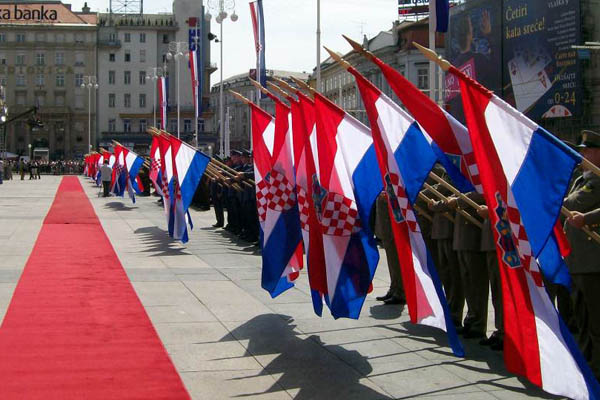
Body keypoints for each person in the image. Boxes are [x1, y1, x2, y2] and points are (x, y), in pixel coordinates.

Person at [564, 129, 600, 377]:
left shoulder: (596, 181)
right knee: (582, 315)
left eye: (588, 151)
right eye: (582, 151)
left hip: (592, 259)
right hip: (577, 259)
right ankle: (587, 358)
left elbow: (574, 203)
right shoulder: (583, 178)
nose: (583, 155)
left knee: (596, 318)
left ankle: (596, 364)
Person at [374, 191, 406, 305]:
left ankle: (401, 291)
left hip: (396, 214)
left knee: (396, 256)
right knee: (391, 255)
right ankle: (394, 287)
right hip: (386, 216)